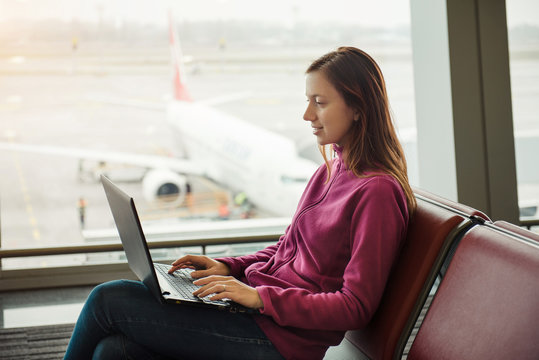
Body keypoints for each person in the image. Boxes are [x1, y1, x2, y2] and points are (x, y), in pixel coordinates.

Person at [64, 47, 416, 360]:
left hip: (281, 341)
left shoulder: (377, 192)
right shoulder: (329, 170)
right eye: (308, 101)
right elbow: (286, 250)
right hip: (256, 317)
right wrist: (228, 267)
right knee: (112, 351)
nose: (307, 114)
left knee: (107, 300)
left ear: (358, 108)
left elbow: (355, 307)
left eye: (320, 102)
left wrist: (260, 298)